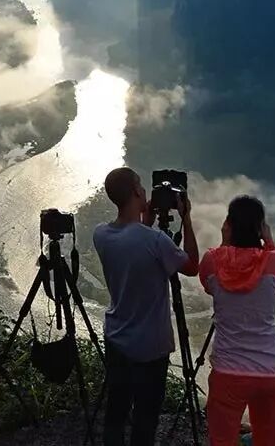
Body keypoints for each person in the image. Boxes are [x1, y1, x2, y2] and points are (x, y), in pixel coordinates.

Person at [93, 167, 199, 446]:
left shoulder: (101, 234)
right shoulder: (155, 241)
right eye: (140, 186)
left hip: (117, 337)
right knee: (145, 417)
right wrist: (186, 218)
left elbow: (134, 242)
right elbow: (192, 265)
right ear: (137, 192)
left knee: (116, 412)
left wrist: (146, 219)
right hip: (151, 346)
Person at [199, 195, 275, 446]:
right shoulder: (274, 260)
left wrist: (225, 244)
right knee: (267, 441)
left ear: (228, 224)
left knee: (222, 441)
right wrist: (269, 242)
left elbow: (209, 286)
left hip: (228, 371)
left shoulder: (211, 260)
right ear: (260, 228)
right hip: (271, 370)